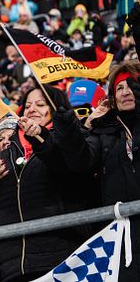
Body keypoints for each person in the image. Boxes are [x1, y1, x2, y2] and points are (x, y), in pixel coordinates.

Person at [0, 85, 94, 282]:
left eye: (40, 104)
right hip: (12, 265)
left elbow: (76, 176)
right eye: (27, 105)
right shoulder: (3, 155)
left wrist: (41, 140)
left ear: (56, 108)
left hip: (63, 258)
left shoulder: (74, 140)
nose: (31, 109)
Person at [57, 60, 140, 281]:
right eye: (119, 87)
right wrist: (79, 128)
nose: (126, 92)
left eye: (132, 85)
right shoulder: (104, 133)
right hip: (121, 239)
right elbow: (80, 162)